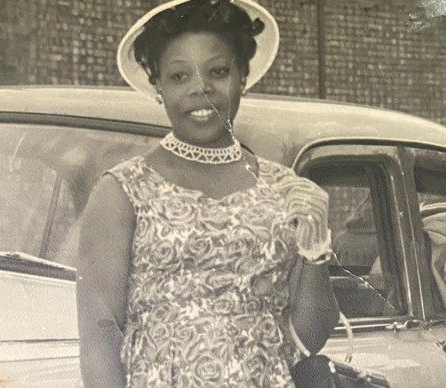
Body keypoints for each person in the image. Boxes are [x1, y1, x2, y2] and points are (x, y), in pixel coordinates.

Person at [76, 1, 340, 387]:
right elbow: (98, 342)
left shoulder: (284, 189)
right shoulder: (122, 191)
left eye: (218, 71)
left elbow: (308, 339)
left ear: (243, 77)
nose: (201, 88)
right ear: (158, 87)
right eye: (180, 76)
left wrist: (315, 249)